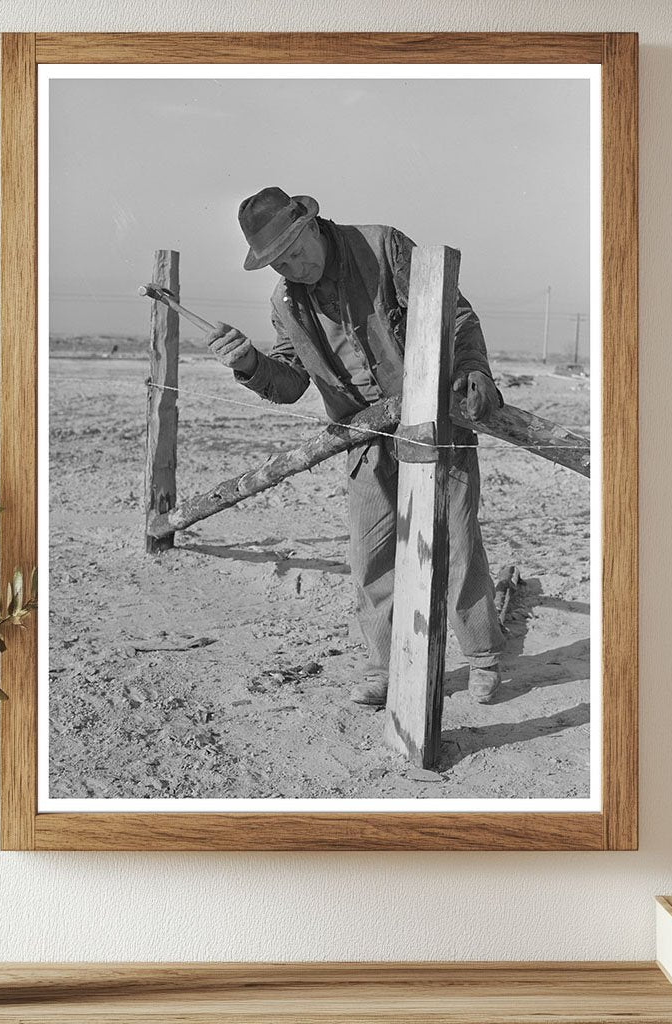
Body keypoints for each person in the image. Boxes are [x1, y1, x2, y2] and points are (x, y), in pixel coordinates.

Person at [204, 186, 506, 706]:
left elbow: (455, 315)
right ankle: (382, 665)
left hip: (436, 415)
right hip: (363, 436)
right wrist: (249, 365)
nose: (294, 267)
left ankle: (481, 658)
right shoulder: (286, 303)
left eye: (297, 249)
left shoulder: (382, 247)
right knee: (371, 554)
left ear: (314, 226)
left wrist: (474, 372)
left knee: (457, 541)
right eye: (279, 261)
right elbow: (291, 381)